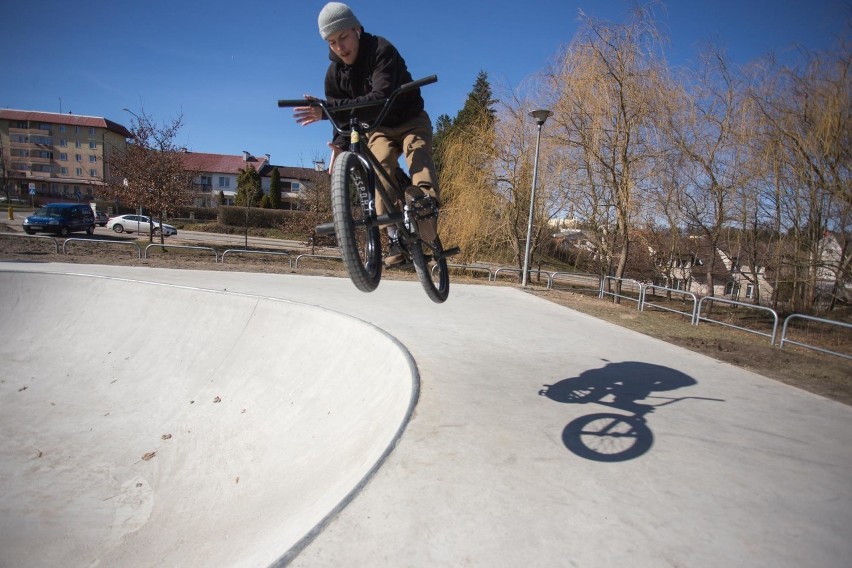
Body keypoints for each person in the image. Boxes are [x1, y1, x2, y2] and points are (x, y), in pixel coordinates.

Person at [293, 2, 440, 267]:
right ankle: (394, 236)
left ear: (357, 30)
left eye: (344, 37)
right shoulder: (334, 75)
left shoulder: (382, 50)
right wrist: (338, 146)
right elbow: (344, 117)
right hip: (379, 129)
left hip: (410, 119)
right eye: (332, 42)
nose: (340, 47)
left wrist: (325, 111)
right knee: (377, 165)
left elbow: (379, 99)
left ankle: (426, 208)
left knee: (417, 152)